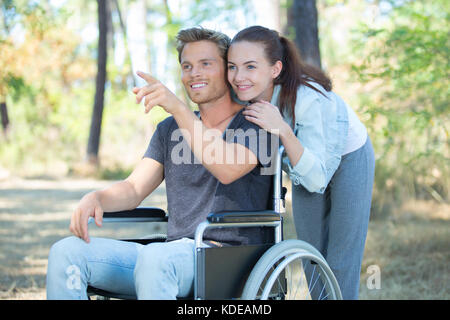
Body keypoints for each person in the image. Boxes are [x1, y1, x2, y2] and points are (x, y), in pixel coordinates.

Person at [46, 27, 275, 300]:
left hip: (226, 257)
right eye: (187, 66)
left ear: (228, 70)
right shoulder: (170, 130)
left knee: (157, 258)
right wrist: (96, 197)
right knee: (67, 252)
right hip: (168, 256)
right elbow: (133, 189)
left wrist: (177, 107)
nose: (194, 73)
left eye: (206, 64)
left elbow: (226, 169)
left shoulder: (258, 121)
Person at [226, 25, 375, 300]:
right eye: (232, 67)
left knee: (341, 258)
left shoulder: (308, 98)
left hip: (349, 155)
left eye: (250, 67)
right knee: (311, 252)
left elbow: (317, 177)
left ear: (274, 69)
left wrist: (282, 128)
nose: (238, 77)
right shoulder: (242, 93)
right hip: (303, 163)